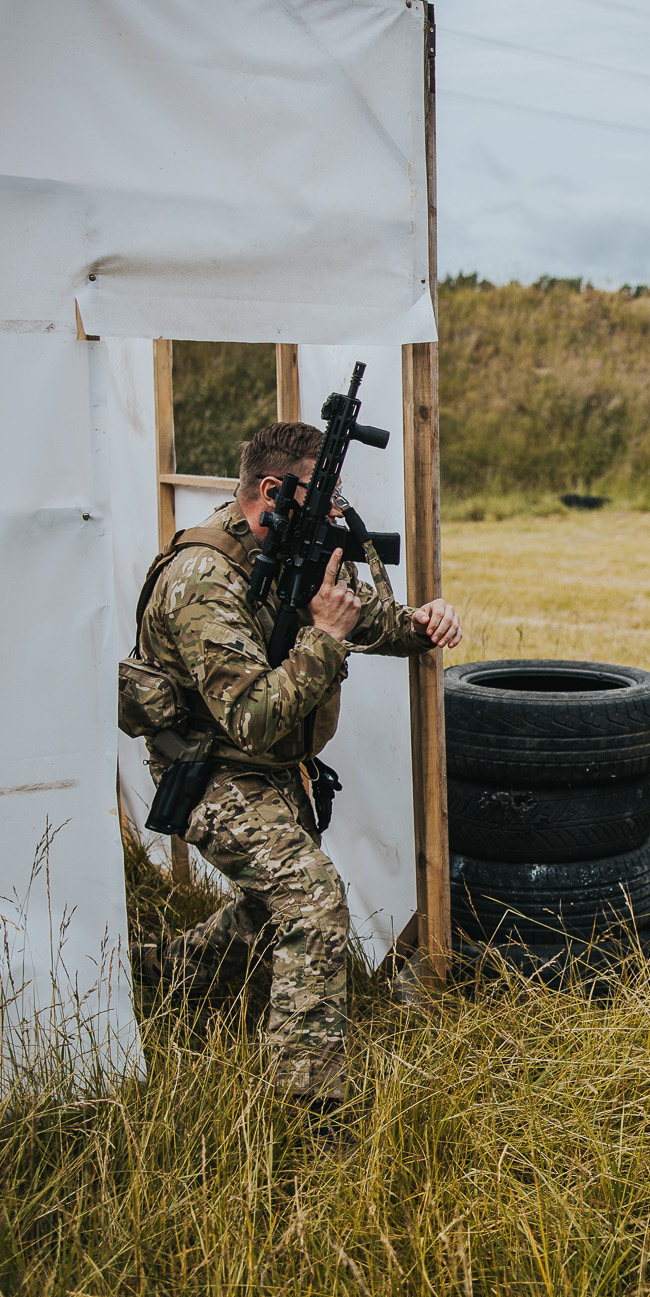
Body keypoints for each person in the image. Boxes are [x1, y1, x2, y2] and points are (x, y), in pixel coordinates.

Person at [131, 420, 463, 1115]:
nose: (339, 510)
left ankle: (158, 971)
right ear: (274, 491)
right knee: (313, 895)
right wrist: (327, 637)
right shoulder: (202, 580)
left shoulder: (287, 546)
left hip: (266, 764)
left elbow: (351, 611)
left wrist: (420, 624)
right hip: (206, 770)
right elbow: (254, 714)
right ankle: (309, 1109)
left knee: (270, 903)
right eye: (328, 494)